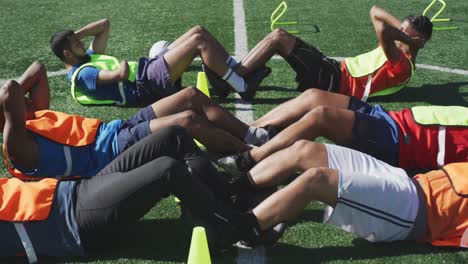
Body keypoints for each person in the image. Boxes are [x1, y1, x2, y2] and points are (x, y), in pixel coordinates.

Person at [0, 126, 267, 261]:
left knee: (173, 136)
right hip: (78, 223)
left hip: (80, 189)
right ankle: (233, 227)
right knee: (167, 170)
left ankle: (226, 194)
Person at [0, 62, 276, 180]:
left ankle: (254, 135)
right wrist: (11, 99)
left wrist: (20, 102)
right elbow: (11, 90)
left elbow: (37, 69)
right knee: (187, 120)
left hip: (115, 129)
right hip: (111, 153)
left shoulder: (34, 116)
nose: (26, 99)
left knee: (190, 95)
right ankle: (255, 156)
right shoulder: (17, 147)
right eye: (15, 104)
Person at [221, 140, 468, 248]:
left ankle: (241, 230)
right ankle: (232, 189)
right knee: (305, 150)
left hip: (413, 213)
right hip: (408, 180)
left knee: (317, 181)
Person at [218, 89, 468, 174]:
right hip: (390, 118)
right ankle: (250, 134)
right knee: (314, 96)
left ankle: (251, 159)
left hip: (398, 143)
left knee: (322, 116)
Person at [230, 6, 432, 101]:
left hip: (335, 83)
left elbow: (383, 30)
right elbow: (373, 11)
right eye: (400, 30)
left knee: (279, 38)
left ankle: (233, 78)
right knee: (279, 36)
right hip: (334, 71)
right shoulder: (397, 48)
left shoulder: (402, 65)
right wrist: (405, 31)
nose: (399, 34)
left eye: (405, 34)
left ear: (418, 42)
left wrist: (405, 38)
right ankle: (238, 77)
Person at [49, 19, 270, 104]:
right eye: (75, 44)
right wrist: (122, 65)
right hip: (144, 84)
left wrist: (75, 35)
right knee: (199, 41)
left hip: (147, 73)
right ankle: (242, 86)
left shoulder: (88, 56)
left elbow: (104, 25)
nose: (81, 44)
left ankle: (232, 75)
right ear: (67, 55)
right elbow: (121, 75)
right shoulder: (83, 75)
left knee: (198, 31)